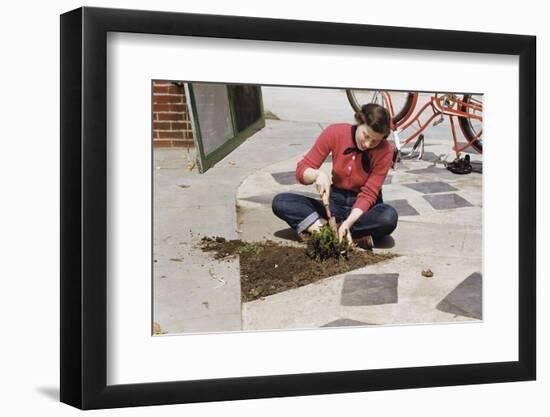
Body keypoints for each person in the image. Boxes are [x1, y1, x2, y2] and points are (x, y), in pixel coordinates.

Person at [272, 103, 398, 249]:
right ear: (359, 122)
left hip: (364, 210)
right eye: (366, 135)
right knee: (281, 202)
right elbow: (301, 171)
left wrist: (348, 223)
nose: (368, 144)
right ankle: (351, 237)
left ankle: (327, 232)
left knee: (388, 217)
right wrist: (317, 175)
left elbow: (369, 194)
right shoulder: (335, 132)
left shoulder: (386, 150)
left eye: (375, 141)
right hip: (335, 203)